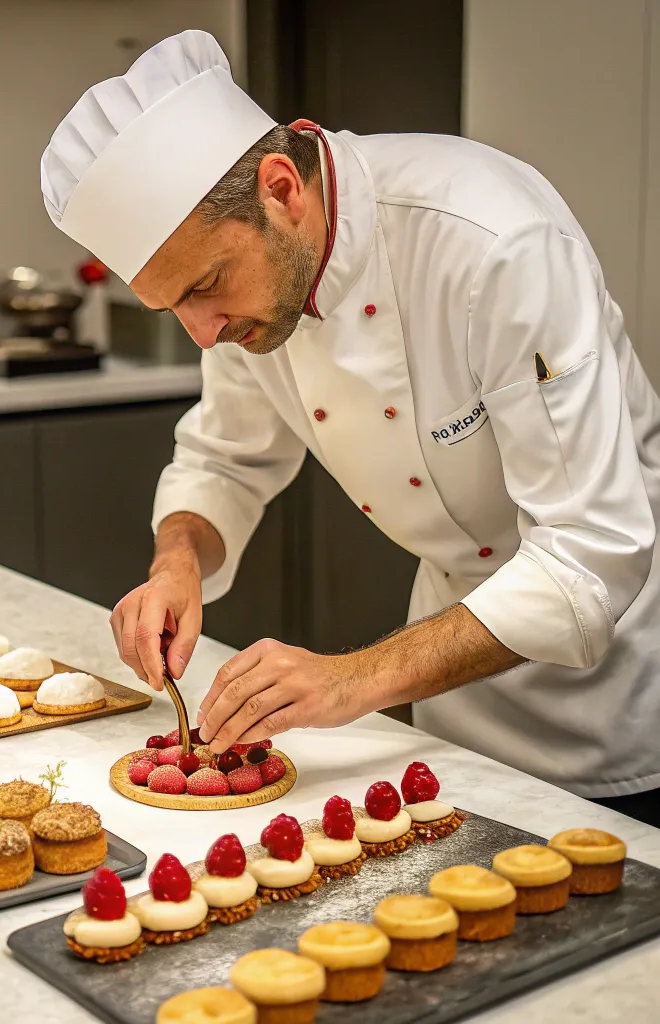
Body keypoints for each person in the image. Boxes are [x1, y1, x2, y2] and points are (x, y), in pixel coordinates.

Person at [40, 30, 660, 826]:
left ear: (280, 189)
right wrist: (177, 561)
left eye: (207, 286)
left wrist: (350, 681)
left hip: (623, 698)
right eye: (174, 308)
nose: (201, 333)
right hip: (452, 704)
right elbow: (225, 460)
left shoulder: (494, 242)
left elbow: (589, 557)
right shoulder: (248, 299)